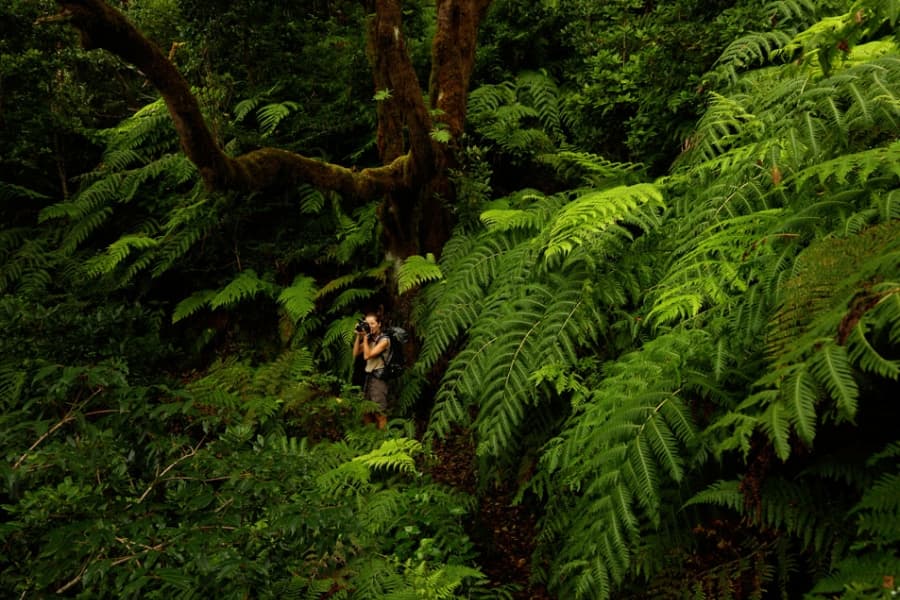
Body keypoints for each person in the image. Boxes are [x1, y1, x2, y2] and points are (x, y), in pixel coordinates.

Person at [352, 312, 390, 429]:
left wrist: (365, 338)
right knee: (366, 411)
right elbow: (355, 353)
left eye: (372, 323)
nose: (370, 326)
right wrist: (359, 336)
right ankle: (370, 438)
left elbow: (367, 356)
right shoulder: (370, 339)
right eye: (367, 324)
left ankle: (383, 441)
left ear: (379, 324)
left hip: (379, 378)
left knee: (379, 412)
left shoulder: (384, 340)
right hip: (368, 377)